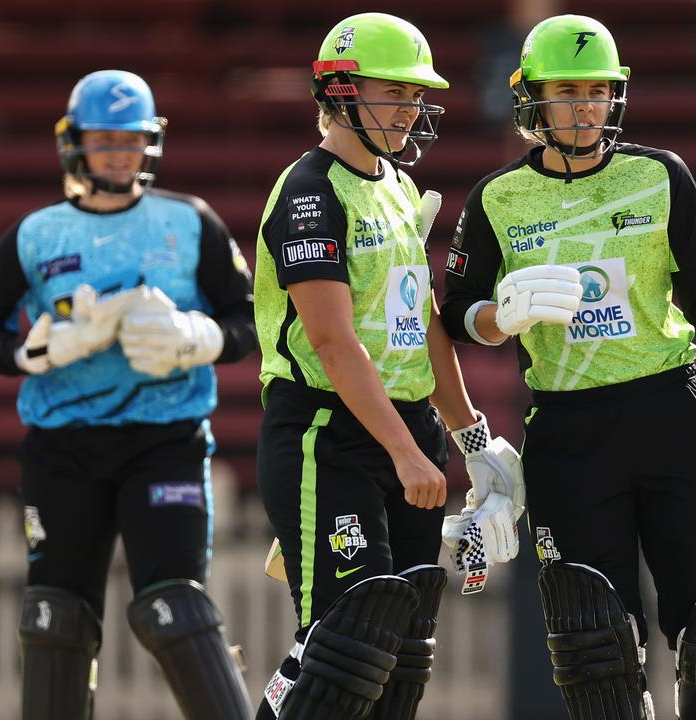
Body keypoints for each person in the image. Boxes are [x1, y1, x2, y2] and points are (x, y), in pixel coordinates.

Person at [440, 15, 696, 720]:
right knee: (593, 642)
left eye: (599, 91)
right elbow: (455, 313)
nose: (584, 106)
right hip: (568, 429)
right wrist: (499, 316)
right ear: (530, 100)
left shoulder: (661, 175)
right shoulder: (497, 199)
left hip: (670, 413)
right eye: (567, 91)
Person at [0, 69, 256, 719]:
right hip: (63, 446)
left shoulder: (190, 221)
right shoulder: (37, 235)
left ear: (151, 143)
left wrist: (195, 337)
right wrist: (28, 351)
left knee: (174, 607)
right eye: (105, 139)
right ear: (75, 144)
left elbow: (248, 320)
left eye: (131, 139)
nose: (119, 153)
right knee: (55, 618)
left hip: (165, 439)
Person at [252, 13, 523, 720]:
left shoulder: (399, 187)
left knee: (399, 655)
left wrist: (471, 441)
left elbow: (422, 320)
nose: (411, 110)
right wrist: (404, 454)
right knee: (346, 645)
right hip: (326, 435)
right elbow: (336, 343)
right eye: (394, 93)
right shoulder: (310, 191)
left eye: (417, 95)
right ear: (339, 91)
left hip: (408, 431)